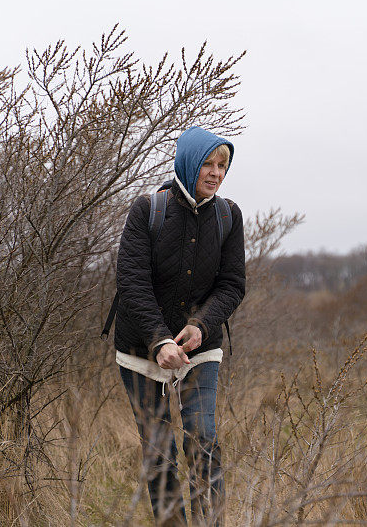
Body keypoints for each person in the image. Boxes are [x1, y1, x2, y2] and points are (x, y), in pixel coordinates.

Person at [113, 126, 245, 526]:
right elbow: (131, 281)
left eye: (222, 165)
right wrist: (159, 340)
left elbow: (233, 284)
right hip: (140, 349)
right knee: (160, 448)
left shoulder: (228, 215)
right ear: (188, 162)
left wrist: (202, 325)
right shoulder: (147, 210)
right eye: (208, 163)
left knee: (202, 438)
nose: (216, 173)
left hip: (199, 349)